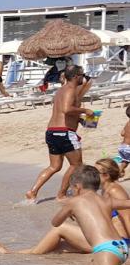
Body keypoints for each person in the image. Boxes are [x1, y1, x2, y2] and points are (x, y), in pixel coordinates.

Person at [0, 159, 130, 255]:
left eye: (96, 173)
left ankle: (17, 254)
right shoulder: (105, 191)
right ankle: (14, 254)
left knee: (60, 229)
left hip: (117, 242)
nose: (92, 175)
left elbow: (127, 218)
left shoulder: (115, 191)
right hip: (110, 240)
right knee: (57, 247)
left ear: (106, 176)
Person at [48, 166, 130, 265]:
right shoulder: (106, 200)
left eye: (72, 189)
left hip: (105, 249)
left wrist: (69, 210)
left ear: (77, 187)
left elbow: (55, 222)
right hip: (120, 246)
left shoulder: (75, 201)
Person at [26, 66, 93, 203]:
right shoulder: (70, 90)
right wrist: (85, 111)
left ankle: (32, 192)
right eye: (82, 75)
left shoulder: (61, 90)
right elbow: (67, 109)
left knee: (54, 166)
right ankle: (61, 194)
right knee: (76, 165)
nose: (83, 77)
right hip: (64, 132)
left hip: (52, 131)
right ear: (75, 76)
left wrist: (79, 119)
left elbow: (62, 112)